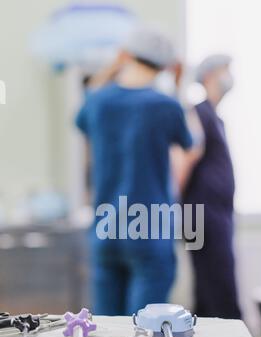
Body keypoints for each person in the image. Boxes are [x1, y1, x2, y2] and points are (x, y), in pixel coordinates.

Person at [76, 26, 200, 316]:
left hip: (106, 230)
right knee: (145, 331)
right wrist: (179, 85)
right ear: (167, 66)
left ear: (125, 56)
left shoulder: (97, 102)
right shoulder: (166, 106)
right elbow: (189, 142)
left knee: (107, 331)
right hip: (149, 230)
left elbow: (82, 121)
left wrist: (110, 69)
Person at [177, 54, 242, 319]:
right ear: (209, 76)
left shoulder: (215, 117)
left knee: (210, 287)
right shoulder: (198, 113)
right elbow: (185, 158)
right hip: (200, 214)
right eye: (225, 70)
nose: (229, 76)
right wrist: (172, 200)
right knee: (218, 283)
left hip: (216, 213)